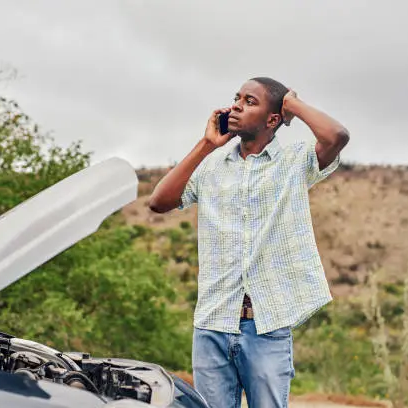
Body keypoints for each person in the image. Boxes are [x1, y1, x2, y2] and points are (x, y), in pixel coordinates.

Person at [148, 77, 350, 408]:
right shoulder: (210, 166)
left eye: (251, 101)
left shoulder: (294, 162)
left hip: (267, 325)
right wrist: (206, 144)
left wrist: (292, 105)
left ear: (273, 119)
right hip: (212, 322)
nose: (237, 105)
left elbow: (336, 136)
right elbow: (159, 201)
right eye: (237, 98)